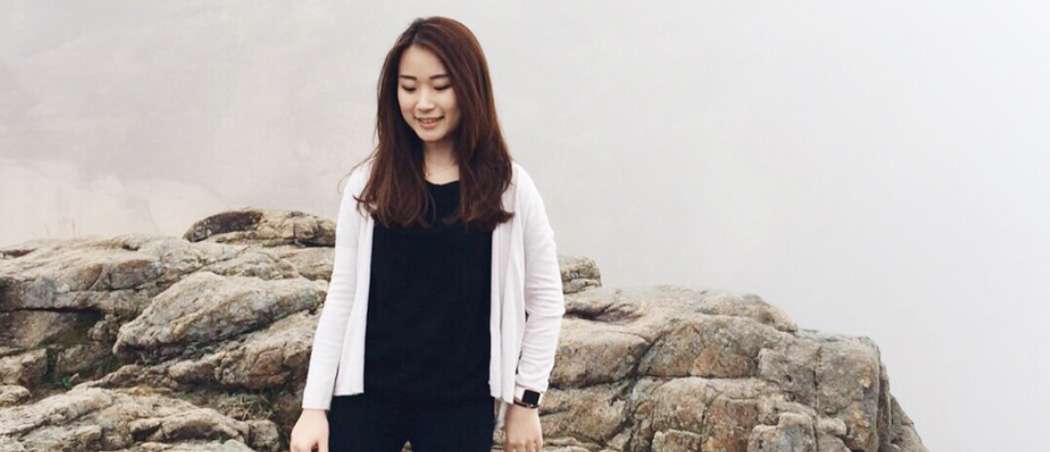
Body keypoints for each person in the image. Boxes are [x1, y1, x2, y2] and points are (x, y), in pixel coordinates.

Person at [289, 16, 565, 452]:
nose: (423, 103)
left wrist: (525, 401)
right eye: (409, 87)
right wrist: (313, 407)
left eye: (440, 86)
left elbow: (546, 301)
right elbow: (342, 296)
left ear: (469, 88)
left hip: (461, 405)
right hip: (367, 398)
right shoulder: (370, 185)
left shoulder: (509, 188)